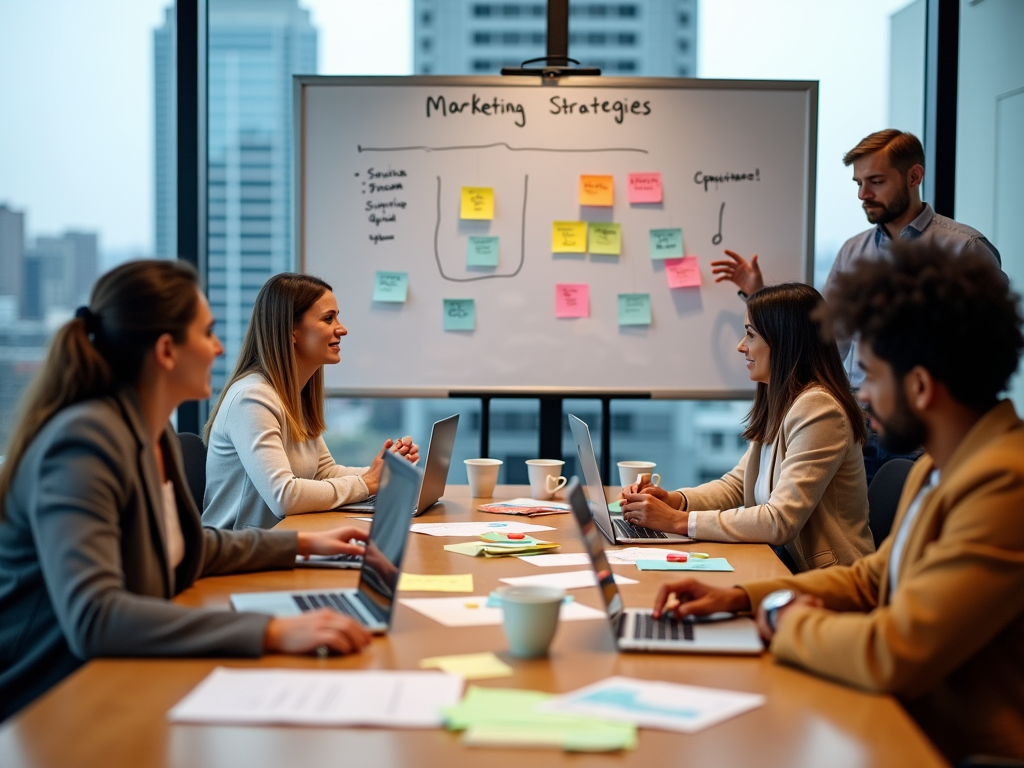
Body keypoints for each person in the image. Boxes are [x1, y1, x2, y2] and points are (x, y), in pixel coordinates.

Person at [652, 243, 1024, 762]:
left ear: (918, 386)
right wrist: (744, 597)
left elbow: (895, 651)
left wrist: (785, 619)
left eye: (870, 375)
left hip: (944, 743)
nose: (862, 395)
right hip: (902, 712)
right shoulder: (946, 464)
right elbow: (874, 578)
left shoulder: (1005, 483)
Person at [0, 260, 376, 723]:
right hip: (54, 700)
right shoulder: (82, 445)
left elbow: (187, 545)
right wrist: (270, 631)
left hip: (126, 669)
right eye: (207, 333)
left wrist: (301, 544)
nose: (220, 349)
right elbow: (95, 618)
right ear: (166, 351)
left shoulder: (149, 435)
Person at [710, 129, 1001, 483]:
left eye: (875, 181)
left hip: (925, 432)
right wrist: (759, 295)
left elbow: (988, 350)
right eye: (858, 183)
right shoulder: (853, 251)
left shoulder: (964, 249)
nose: (863, 194)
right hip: (859, 429)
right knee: (862, 531)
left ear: (914, 176)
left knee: (914, 533)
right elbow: (823, 337)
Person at [621, 283, 874, 572]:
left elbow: (779, 521)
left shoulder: (819, 409)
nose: (741, 346)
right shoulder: (783, 399)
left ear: (783, 341)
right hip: (779, 562)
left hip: (829, 578)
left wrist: (677, 521)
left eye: (750, 335)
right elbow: (737, 486)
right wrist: (676, 501)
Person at [202, 273, 419, 530]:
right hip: (237, 557)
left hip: (281, 542)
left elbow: (322, 473)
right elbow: (284, 496)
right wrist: (368, 483)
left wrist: (383, 473)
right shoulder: (251, 398)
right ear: (292, 331)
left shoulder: (293, 394)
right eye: (328, 318)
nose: (342, 328)